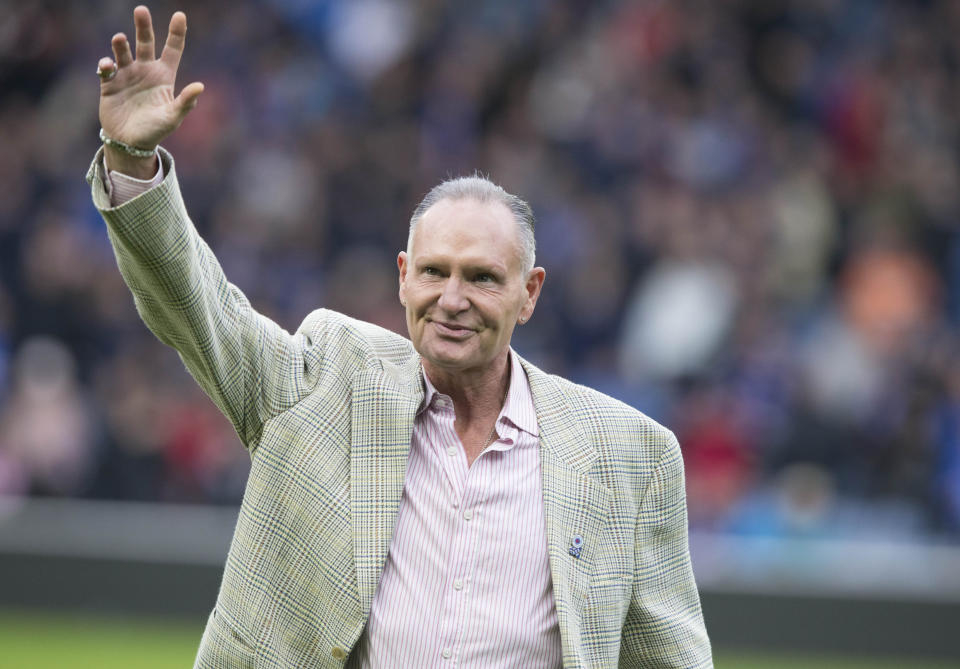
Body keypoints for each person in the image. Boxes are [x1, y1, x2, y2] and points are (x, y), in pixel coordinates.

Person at [90, 6, 712, 668]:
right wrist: (133, 157)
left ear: (529, 292)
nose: (451, 299)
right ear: (403, 278)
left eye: (480, 277)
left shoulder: (630, 457)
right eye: (435, 272)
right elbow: (196, 307)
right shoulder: (322, 381)